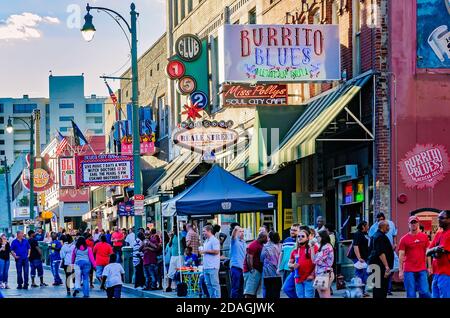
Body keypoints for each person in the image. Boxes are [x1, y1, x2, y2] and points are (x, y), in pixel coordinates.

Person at [398, 216, 431, 298]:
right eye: (411, 223)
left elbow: (428, 253)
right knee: (411, 294)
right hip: (409, 270)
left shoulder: (424, 237)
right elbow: (401, 255)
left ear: (418, 224)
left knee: (425, 291)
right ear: (408, 225)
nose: (413, 224)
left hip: (422, 268)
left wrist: (430, 267)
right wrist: (400, 270)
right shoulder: (404, 239)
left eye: (415, 222)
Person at [427, 210, 450, 298]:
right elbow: (427, 252)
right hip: (436, 273)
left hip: (446, 274)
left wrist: (434, 251)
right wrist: (435, 249)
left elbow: (438, 254)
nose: (439, 220)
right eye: (438, 218)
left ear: (449, 220)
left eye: (441, 218)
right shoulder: (439, 234)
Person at [368, 220, 394, 299]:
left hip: (377, 265)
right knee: (380, 288)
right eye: (387, 226)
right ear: (382, 227)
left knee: (378, 287)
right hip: (379, 266)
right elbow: (381, 252)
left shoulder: (376, 235)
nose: (389, 228)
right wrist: (386, 266)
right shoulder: (380, 237)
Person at [288, 228, 317, 298]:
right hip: (298, 278)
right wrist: (292, 265)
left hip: (309, 278)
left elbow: (317, 263)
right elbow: (289, 263)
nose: (300, 238)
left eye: (303, 236)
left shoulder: (313, 247)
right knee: (300, 296)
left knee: (308, 296)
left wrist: (312, 275)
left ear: (307, 238)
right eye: (298, 236)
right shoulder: (295, 250)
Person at [310, 230, 334, 298]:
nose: (316, 238)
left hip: (324, 273)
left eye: (317, 236)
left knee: (324, 295)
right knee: (323, 294)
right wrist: (312, 247)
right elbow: (313, 260)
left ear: (322, 237)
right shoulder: (323, 246)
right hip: (321, 273)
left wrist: (312, 246)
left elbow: (315, 261)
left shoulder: (326, 247)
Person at [243, 232, 268, 298]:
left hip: (257, 271)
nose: (267, 239)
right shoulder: (253, 245)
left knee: (253, 292)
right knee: (249, 293)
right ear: (262, 238)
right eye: (266, 238)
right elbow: (249, 257)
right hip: (252, 271)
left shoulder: (260, 244)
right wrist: (251, 269)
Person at [348, 221, 370, 296]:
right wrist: (359, 257)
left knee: (364, 274)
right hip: (359, 258)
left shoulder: (365, 234)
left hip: (364, 257)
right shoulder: (358, 234)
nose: (368, 227)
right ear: (363, 226)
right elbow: (355, 246)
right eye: (367, 225)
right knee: (360, 274)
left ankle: (362, 291)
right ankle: (358, 291)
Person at [201, 225, 221, 298]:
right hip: (206, 266)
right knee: (208, 285)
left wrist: (205, 251)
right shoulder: (206, 241)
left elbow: (216, 251)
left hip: (213, 266)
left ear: (209, 231)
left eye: (204, 231)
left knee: (215, 285)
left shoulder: (214, 240)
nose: (203, 233)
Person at [261, 231, 282, 298]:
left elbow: (261, 258)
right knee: (276, 293)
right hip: (278, 273)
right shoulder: (281, 246)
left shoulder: (266, 247)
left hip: (267, 273)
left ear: (269, 238)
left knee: (268, 292)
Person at [230, 226, 246, 298]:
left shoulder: (244, 242)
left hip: (243, 269)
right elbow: (233, 236)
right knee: (235, 288)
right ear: (237, 233)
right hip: (236, 268)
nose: (242, 233)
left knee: (241, 289)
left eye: (243, 231)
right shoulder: (234, 241)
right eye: (240, 231)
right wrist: (235, 229)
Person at [166, 226, 184, 292]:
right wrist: (171, 237)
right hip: (173, 256)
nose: (174, 231)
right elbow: (170, 245)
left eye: (175, 230)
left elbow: (184, 245)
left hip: (180, 255)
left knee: (179, 271)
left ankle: (179, 285)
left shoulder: (181, 236)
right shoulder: (173, 237)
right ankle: (169, 286)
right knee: (170, 271)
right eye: (173, 230)